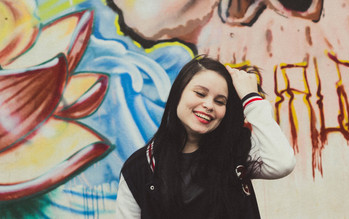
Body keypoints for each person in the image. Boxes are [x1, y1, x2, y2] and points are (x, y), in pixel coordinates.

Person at [115, 56, 295, 218]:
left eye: (219, 101)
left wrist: (251, 99)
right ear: (178, 93)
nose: (209, 105)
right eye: (200, 93)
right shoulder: (139, 169)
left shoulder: (237, 150)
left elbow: (282, 163)